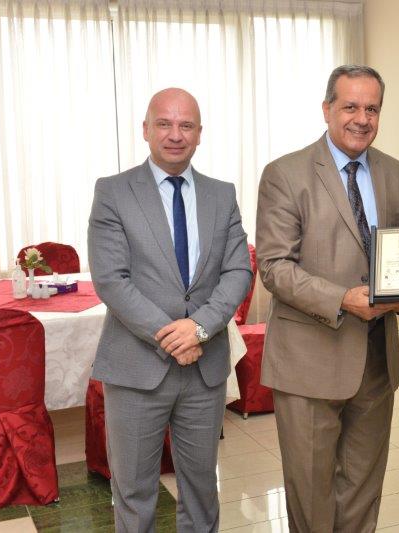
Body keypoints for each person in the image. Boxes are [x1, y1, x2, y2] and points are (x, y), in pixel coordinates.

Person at [255, 65, 399, 533]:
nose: (362, 119)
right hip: (309, 361)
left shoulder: (395, 173)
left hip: (377, 360)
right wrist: (343, 299)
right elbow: (275, 267)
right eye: (350, 107)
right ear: (327, 109)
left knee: (363, 488)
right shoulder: (286, 174)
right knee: (311, 491)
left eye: (372, 109)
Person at [88, 88, 252, 533]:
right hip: (136, 368)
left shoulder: (222, 194)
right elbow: (111, 279)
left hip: (204, 370)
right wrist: (175, 336)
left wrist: (198, 329)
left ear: (199, 133)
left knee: (201, 491)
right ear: (145, 130)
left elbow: (238, 271)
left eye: (186, 125)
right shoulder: (113, 192)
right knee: (134, 493)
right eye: (164, 123)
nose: (175, 134)